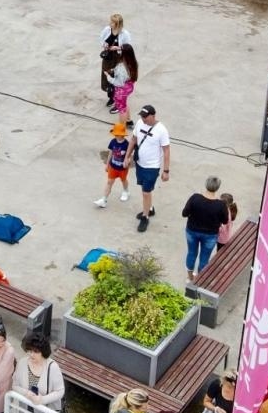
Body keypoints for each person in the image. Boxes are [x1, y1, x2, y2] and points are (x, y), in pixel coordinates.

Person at [125, 105, 171, 233]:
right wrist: (127, 157)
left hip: (152, 166)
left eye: (145, 117)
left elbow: (166, 150)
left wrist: (166, 170)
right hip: (140, 163)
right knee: (144, 189)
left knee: (146, 192)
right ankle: (150, 208)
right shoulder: (140, 123)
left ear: (153, 115)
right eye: (142, 116)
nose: (143, 119)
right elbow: (133, 140)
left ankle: (145, 217)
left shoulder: (161, 130)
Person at [182, 176, 230, 281]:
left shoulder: (195, 198)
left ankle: (190, 278)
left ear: (206, 184)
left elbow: (184, 213)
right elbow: (225, 221)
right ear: (217, 188)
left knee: (191, 253)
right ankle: (199, 280)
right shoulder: (221, 205)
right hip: (210, 235)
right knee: (204, 258)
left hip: (192, 231)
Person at [97, 121, 133, 207]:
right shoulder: (113, 141)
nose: (115, 135)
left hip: (122, 169)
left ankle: (126, 191)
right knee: (109, 182)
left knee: (123, 180)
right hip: (113, 167)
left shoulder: (126, 144)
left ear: (122, 134)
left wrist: (127, 161)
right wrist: (107, 164)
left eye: (117, 134)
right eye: (115, 134)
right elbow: (110, 153)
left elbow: (129, 156)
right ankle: (104, 200)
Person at [99, 14, 131, 104]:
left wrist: (117, 48)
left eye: (113, 22)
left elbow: (127, 47)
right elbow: (101, 38)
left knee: (116, 77)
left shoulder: (125, 34)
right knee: (107, 75)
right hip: (107, 57)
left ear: (118, 24)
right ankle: (110, 96)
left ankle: (116, 97)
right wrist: (104, 44)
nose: (110, 23)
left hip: (118, 58)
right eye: (111, 21)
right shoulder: (107, 29)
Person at [109, 44, 139, 118]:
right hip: (129, 86)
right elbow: (125, 74)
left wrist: (108, 77)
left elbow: (119, 83)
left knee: (122, 110)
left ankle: (121, 128)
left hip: (121, 90)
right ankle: (129, 121)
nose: (118, 51)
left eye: (120, 50)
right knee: (124, 104)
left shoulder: (121, 67)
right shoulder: (133, 62)